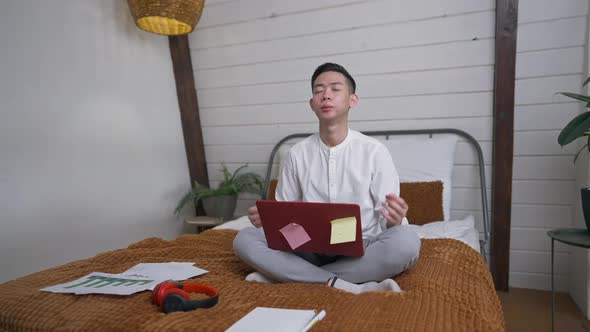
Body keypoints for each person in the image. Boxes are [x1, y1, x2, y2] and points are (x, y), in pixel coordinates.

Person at [233, 63, 420, 294]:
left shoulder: (374, 151)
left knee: (406, 241)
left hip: (362, 248)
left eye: (335, 88)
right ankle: (345, 285)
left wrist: (395, 219)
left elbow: (389, 225)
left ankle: (290, 275)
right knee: (245, 239)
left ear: (352, 100)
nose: (326, 95)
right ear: (312, 104)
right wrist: (271, 223)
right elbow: (286, 221)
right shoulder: (296, 153)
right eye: (318, 90)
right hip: (307, 249)